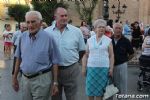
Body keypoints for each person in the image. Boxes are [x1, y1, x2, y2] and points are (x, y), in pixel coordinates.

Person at [12, 11, 61, 100]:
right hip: (25, 79)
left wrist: (55, 83)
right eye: (28, 22)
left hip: (42, 79)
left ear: (41, 23)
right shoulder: (22, 37)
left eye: (33, 21)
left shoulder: (49, 38)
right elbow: (18, 58)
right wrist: (14, 77)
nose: (30, 25)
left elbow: (55, 61)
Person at [45, 7, 86, 100]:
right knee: (55, 96)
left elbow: (82, 50)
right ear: (55, 17)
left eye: (66, 15)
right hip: (53, 70)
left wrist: (73, 61)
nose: (64, 18)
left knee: (72, 97)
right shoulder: (47, 32)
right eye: (62, 16)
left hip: (71, 69)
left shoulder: (76, 31)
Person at [82, 19, 114, 100]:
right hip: (91, 69)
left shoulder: (108, 40)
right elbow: (85, 55)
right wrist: (83, 67)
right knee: (90, 91)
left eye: (103, 27)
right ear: (95, 28)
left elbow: (111, 55)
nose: (102, 29)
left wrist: (111, 68)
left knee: (100, 93)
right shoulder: (89, 40)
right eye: (99, 27)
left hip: (103, 69)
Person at [111, 23, 134, 96]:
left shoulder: (126, 41)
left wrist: (125, 60)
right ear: (113, 29)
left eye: (119, 28)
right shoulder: (108, 40)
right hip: (110, 66)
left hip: (121, 65)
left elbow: (132, 53)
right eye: (116, 28)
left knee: (122, 85)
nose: (118, 30)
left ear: (122, 30)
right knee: (110, 86)